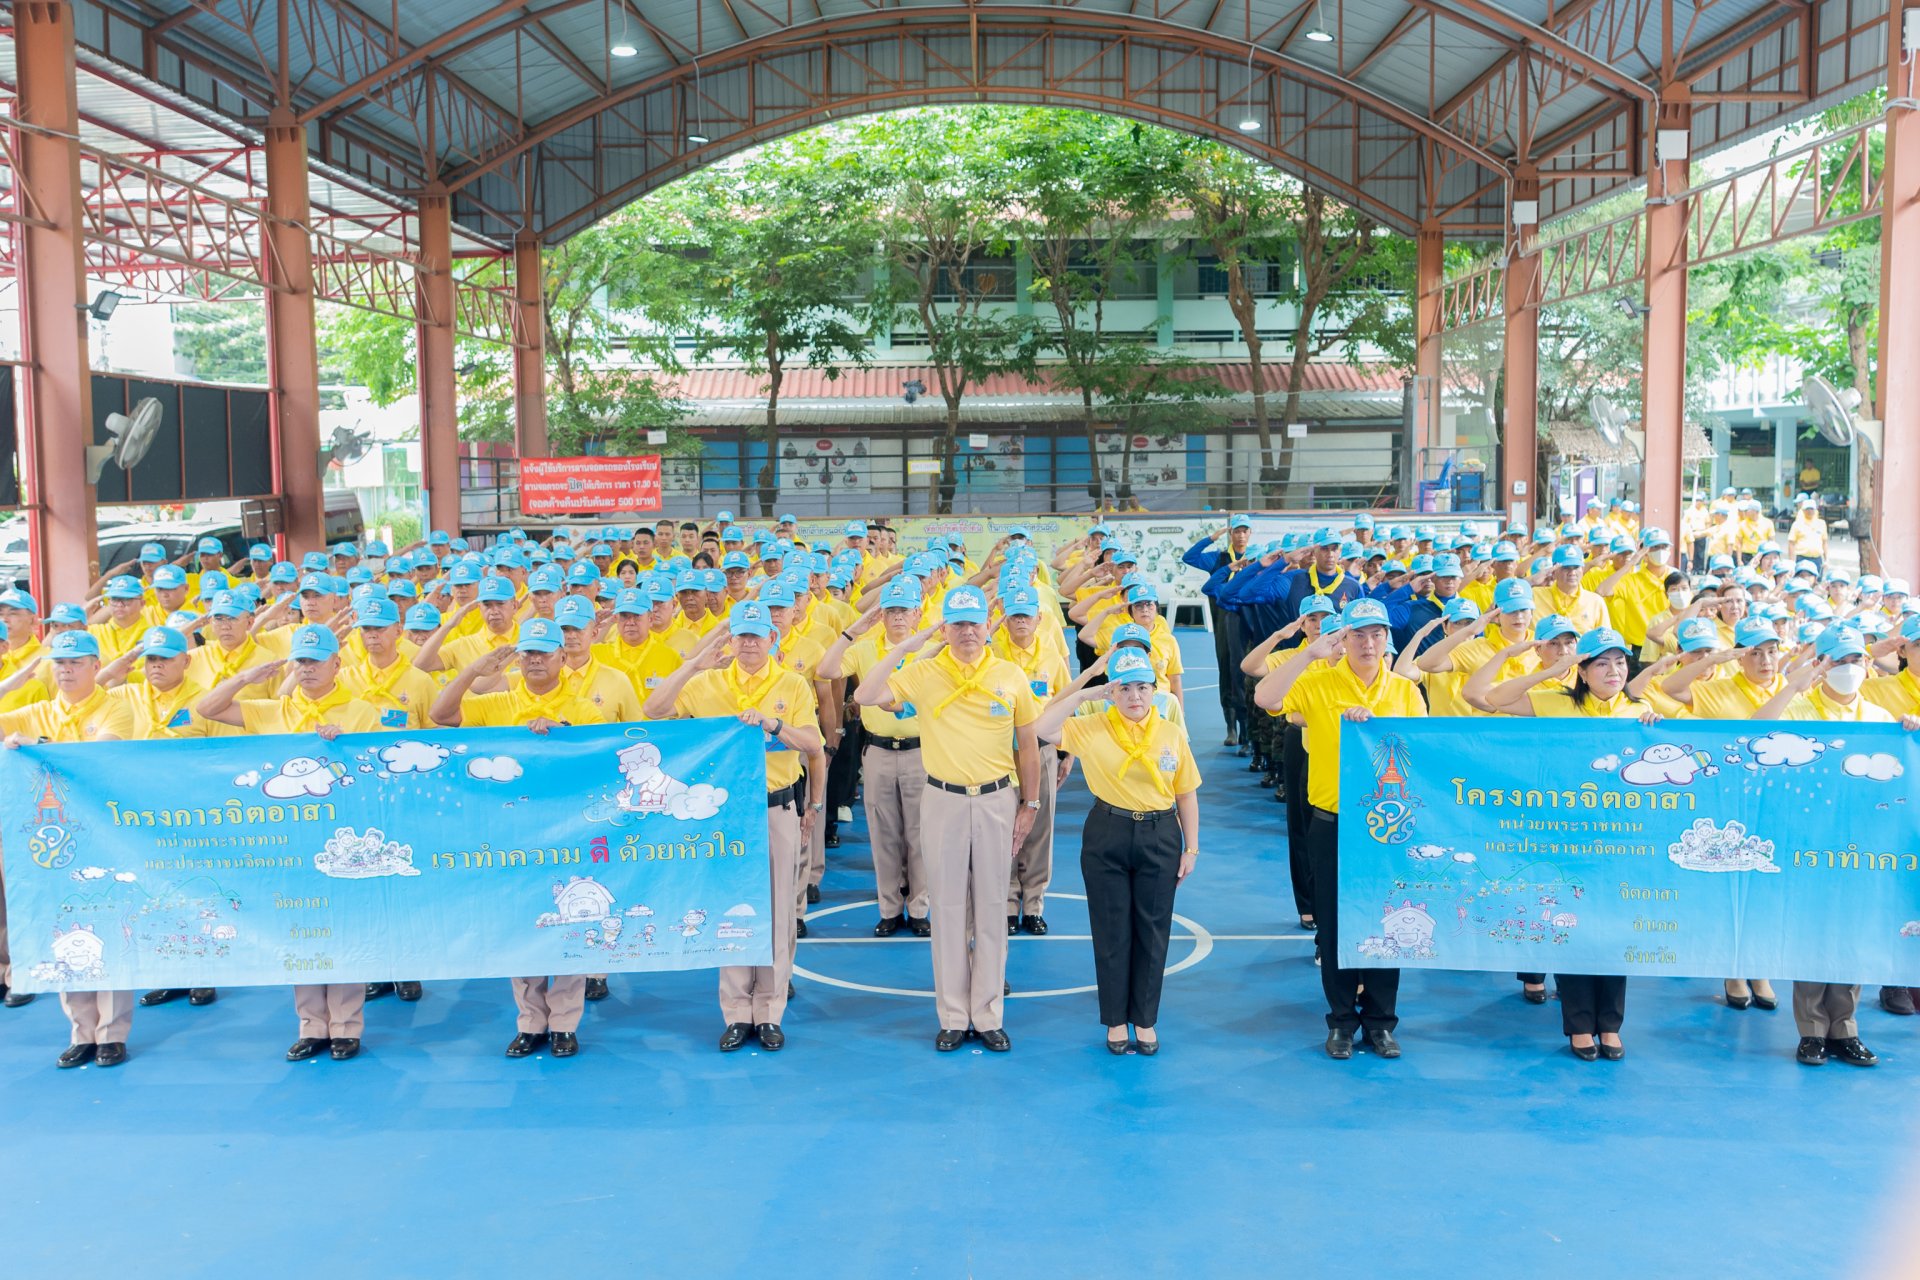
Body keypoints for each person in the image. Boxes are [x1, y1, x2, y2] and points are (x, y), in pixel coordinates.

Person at [852, 584, 1042, 1053]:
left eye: (974, 622)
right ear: (945, 628)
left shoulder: (1009, 675)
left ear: (986, 625)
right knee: (950, 909)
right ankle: (954, 1016)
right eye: (957, 624)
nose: (967, 632)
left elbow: (1029, 747)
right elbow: (866, 695)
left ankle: (989, 1013)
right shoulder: (923, 672)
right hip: (943, 800)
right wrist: (905, 647)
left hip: (998, 799)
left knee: (993, 908)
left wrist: (1030, 804)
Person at [1470, 627, 1662, 1060]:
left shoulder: (1639, 711)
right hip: (1565, 838)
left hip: (1619, 840)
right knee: (1572, 927)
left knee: (1614, 932)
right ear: (1583, 670)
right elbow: (1493, 698)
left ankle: (1610, 1026)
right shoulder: (1555, 702)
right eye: (1602, 663)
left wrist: (1653, 728)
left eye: (1620, 662)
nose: (1614, 670)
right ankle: (1579, 1025)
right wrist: (1553, 670)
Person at [198, 624, 383, 1061]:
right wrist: (246, 677)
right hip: (287, 841)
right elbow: (205, 708)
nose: (307, 668)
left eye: (316, 660)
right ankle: (311, 1025)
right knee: (301, 931)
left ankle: (346, 1026)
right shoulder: (273, 709)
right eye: (300, 660)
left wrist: (347, 748)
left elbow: (375, 775)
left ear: (337, 663)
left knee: (341, 929)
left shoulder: (362, 711)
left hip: (341, 838)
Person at [645, 602, 823, 1054]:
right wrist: (693, 663)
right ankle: (736, 1013)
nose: (748, 643)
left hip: (776, 808)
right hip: (723, 817)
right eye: (741, 635)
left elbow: (812, 744)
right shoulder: (706, 683)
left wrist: (774, 724)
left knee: (780, 912)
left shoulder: (793, 684)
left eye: (756, 635)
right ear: (731, 640)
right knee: (731, 910)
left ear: (772, 639)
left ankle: (769, 1012)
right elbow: (654, 708)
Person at [1254, 598, 1426, 1060]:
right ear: (1342, 640)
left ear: (1388, 640)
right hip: (1332, 824)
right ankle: (1342, 1021)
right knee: (1333, 924)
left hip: (1388, 828)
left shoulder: (1405, 692)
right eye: (1358, 635)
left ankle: (1381, 1021)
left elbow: (1422, 754)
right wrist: (1307, 654)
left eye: (1377, 634)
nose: (1368, 643)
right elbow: (1265, 698)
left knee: (1389, 922)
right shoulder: (1319, 681)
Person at [430, 618, 607, 1059]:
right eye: (527, 652)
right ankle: (531, 1021)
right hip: (512, 835)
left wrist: (568, 739)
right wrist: (473, 672)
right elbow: (441, 715)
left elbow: (603, 765)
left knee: (569, 920)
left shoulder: (584, 710)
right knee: (521, 922)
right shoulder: (498, 702)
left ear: (563, 658)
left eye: (543, 652)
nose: (534, 660)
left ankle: (565, 1022)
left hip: (569, 833)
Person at [1756, 624, 1920, 1066]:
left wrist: (1912, 734)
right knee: (1812, 932)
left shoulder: (1881, 720)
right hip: (1808, 844)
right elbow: (1755, 732)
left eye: (1855, 661)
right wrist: (1793, 686)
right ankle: (1811, 1031)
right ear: (1820, 665)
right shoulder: (1799, 712)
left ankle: (1844, 1029)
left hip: (1863, 847)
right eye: (1837, 661)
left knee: (1851, 932)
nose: (1848, 669)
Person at [1034, 648, 1199, 1055]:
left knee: (1153, 929)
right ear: (1113, 691)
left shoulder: (1172, 733)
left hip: (1161, 834)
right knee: (1111, 930)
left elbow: (1186, 793)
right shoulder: (1091, 727)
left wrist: (1191, 848)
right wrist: (1086, 695)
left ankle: (1144, 1019)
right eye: (1124, 688)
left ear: (1154, 691)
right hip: (1108, 830)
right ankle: (1114, 1021)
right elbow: (1043, 726)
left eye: (1143, 687)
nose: (1135, 696)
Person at [0, 630, 137, 1067]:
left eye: (76, 662)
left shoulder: (117, 707)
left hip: (102, 837)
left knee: (107, 927)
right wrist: (13, 687)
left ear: (97, 666)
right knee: (64, 932)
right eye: (59, 663)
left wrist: (36, 746)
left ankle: (111, 1033)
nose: (66, 669)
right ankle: (81, 1031)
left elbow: (93, 759)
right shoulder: (36, 709)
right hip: (49, 842)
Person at [1656, 616, 1787, 1012]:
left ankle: (1759, 968)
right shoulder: (1715, 691)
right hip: (1730, 803)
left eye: (1771, 651)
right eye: (1755, 653)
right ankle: (1733, 968)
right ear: (1740, 657)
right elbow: (1670, 686)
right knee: (1732, 886)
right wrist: (1722, 656)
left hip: (1780, 803)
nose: (1765, 660)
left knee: (1768, 888)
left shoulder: (1796, 690)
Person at [822, 578, 932, 938]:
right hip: (879, 751)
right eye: (892, 610)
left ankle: (919, 907)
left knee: (919, 834)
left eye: (905, 609)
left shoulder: (931, 648)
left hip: (921, 751)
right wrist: (851, 632)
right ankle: (888, 907)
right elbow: (825, 671)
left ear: (918, 613)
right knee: (883, 833)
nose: (898, 617)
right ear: (881, 614)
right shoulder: (866, 648)